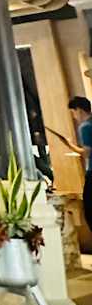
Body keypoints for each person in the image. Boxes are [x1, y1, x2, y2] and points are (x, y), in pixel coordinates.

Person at [68, 95, 92, 230]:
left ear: (79, 110)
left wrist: (70, 146)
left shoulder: (85, 126)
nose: (74, 116)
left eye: (73, 112)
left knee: (89, 209)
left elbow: (87, 152)